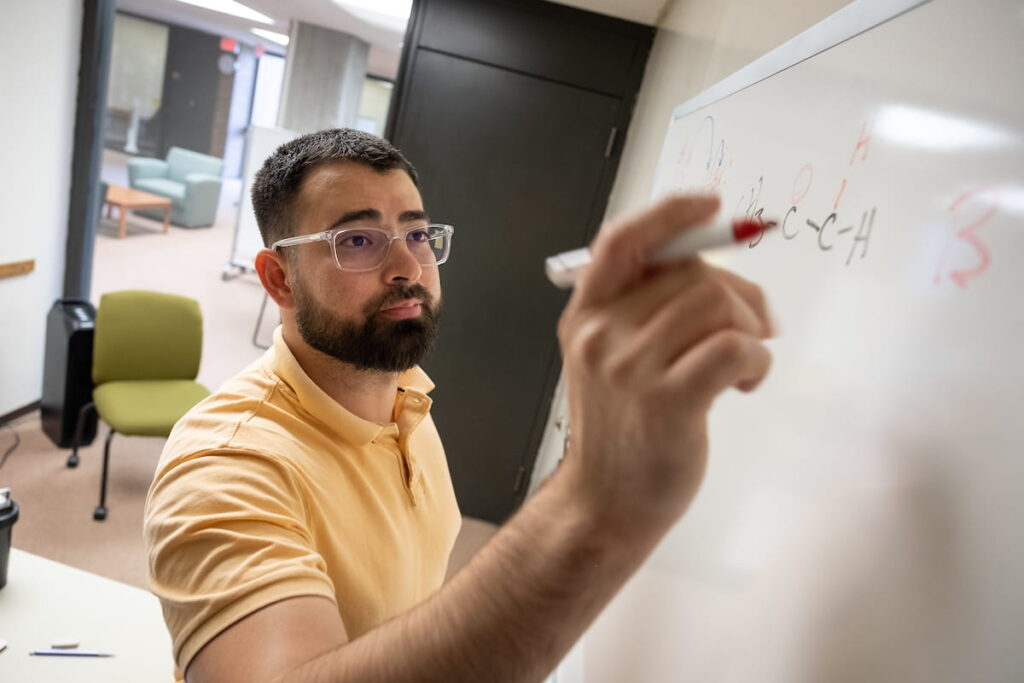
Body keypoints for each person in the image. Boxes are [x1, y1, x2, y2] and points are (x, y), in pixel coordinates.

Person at [144, 128, 774, 683]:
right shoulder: (224, 465)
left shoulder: (406, 394)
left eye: (416, 232)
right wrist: (593, 498)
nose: (406, 266)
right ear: (279, 278)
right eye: (358, 240)